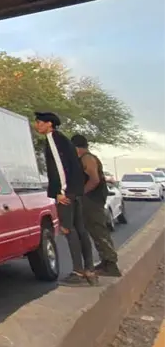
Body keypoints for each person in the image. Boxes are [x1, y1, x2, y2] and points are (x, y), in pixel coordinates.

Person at [34, 111, 97, 286]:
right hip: (75, 191)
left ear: (49, 124)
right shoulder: (62, 139)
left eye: (39, 122)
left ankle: (78, 272)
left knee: (69, 230)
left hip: (66, 192)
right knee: (80, 230)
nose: (36, 125)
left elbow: (60, 168)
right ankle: (89, 270)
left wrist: (60, 191)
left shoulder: (53, 139)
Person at [71, 134, 121, 277]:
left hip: (92, 200)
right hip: (91, 200)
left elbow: (94, 180)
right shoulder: (85, 158)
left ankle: (110, 264)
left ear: (76, 147)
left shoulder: (87, 158)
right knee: (94, 230)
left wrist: (81, 193)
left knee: (98, 231)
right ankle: (106, 262)